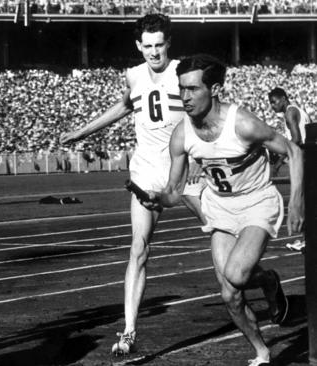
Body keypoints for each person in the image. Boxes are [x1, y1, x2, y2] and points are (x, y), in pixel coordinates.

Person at [60, 13, 205, 355]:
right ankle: (128, 331)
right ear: (139, 45)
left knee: (224, 243)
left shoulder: (184, 72)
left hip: (183, 169)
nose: (154, 53)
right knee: (138, 249)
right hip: (146, 170)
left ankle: (264, 282)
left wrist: (198, 156)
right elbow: (125, 105)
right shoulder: (134, 74)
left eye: (159, 45)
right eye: (148, 46)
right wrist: (83, 131)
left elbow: (202, 116)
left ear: (169, 43)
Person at [148, 54, 301, 366]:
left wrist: (296, 200)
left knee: (234, 274)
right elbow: (174, 191)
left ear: (215, 89)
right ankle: (262, 351)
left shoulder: (242, 124)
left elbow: (294, 150)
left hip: (257, 202)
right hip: (220, 207)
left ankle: (268, 281)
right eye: (182, 89)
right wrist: (157, 199)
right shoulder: (182, 133)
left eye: (192, 89)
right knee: (229, 294)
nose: (185, 97)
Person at [268, 87, 311, 253]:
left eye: (274, 101)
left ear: (284, 98)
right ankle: (308, 239)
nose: (272, 106)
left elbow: (297, 139)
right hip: (308, 158)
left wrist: (279, 161)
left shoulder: (290, 112)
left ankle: (307, 240)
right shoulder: (298, 110)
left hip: (304, 161)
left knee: (303, 201)